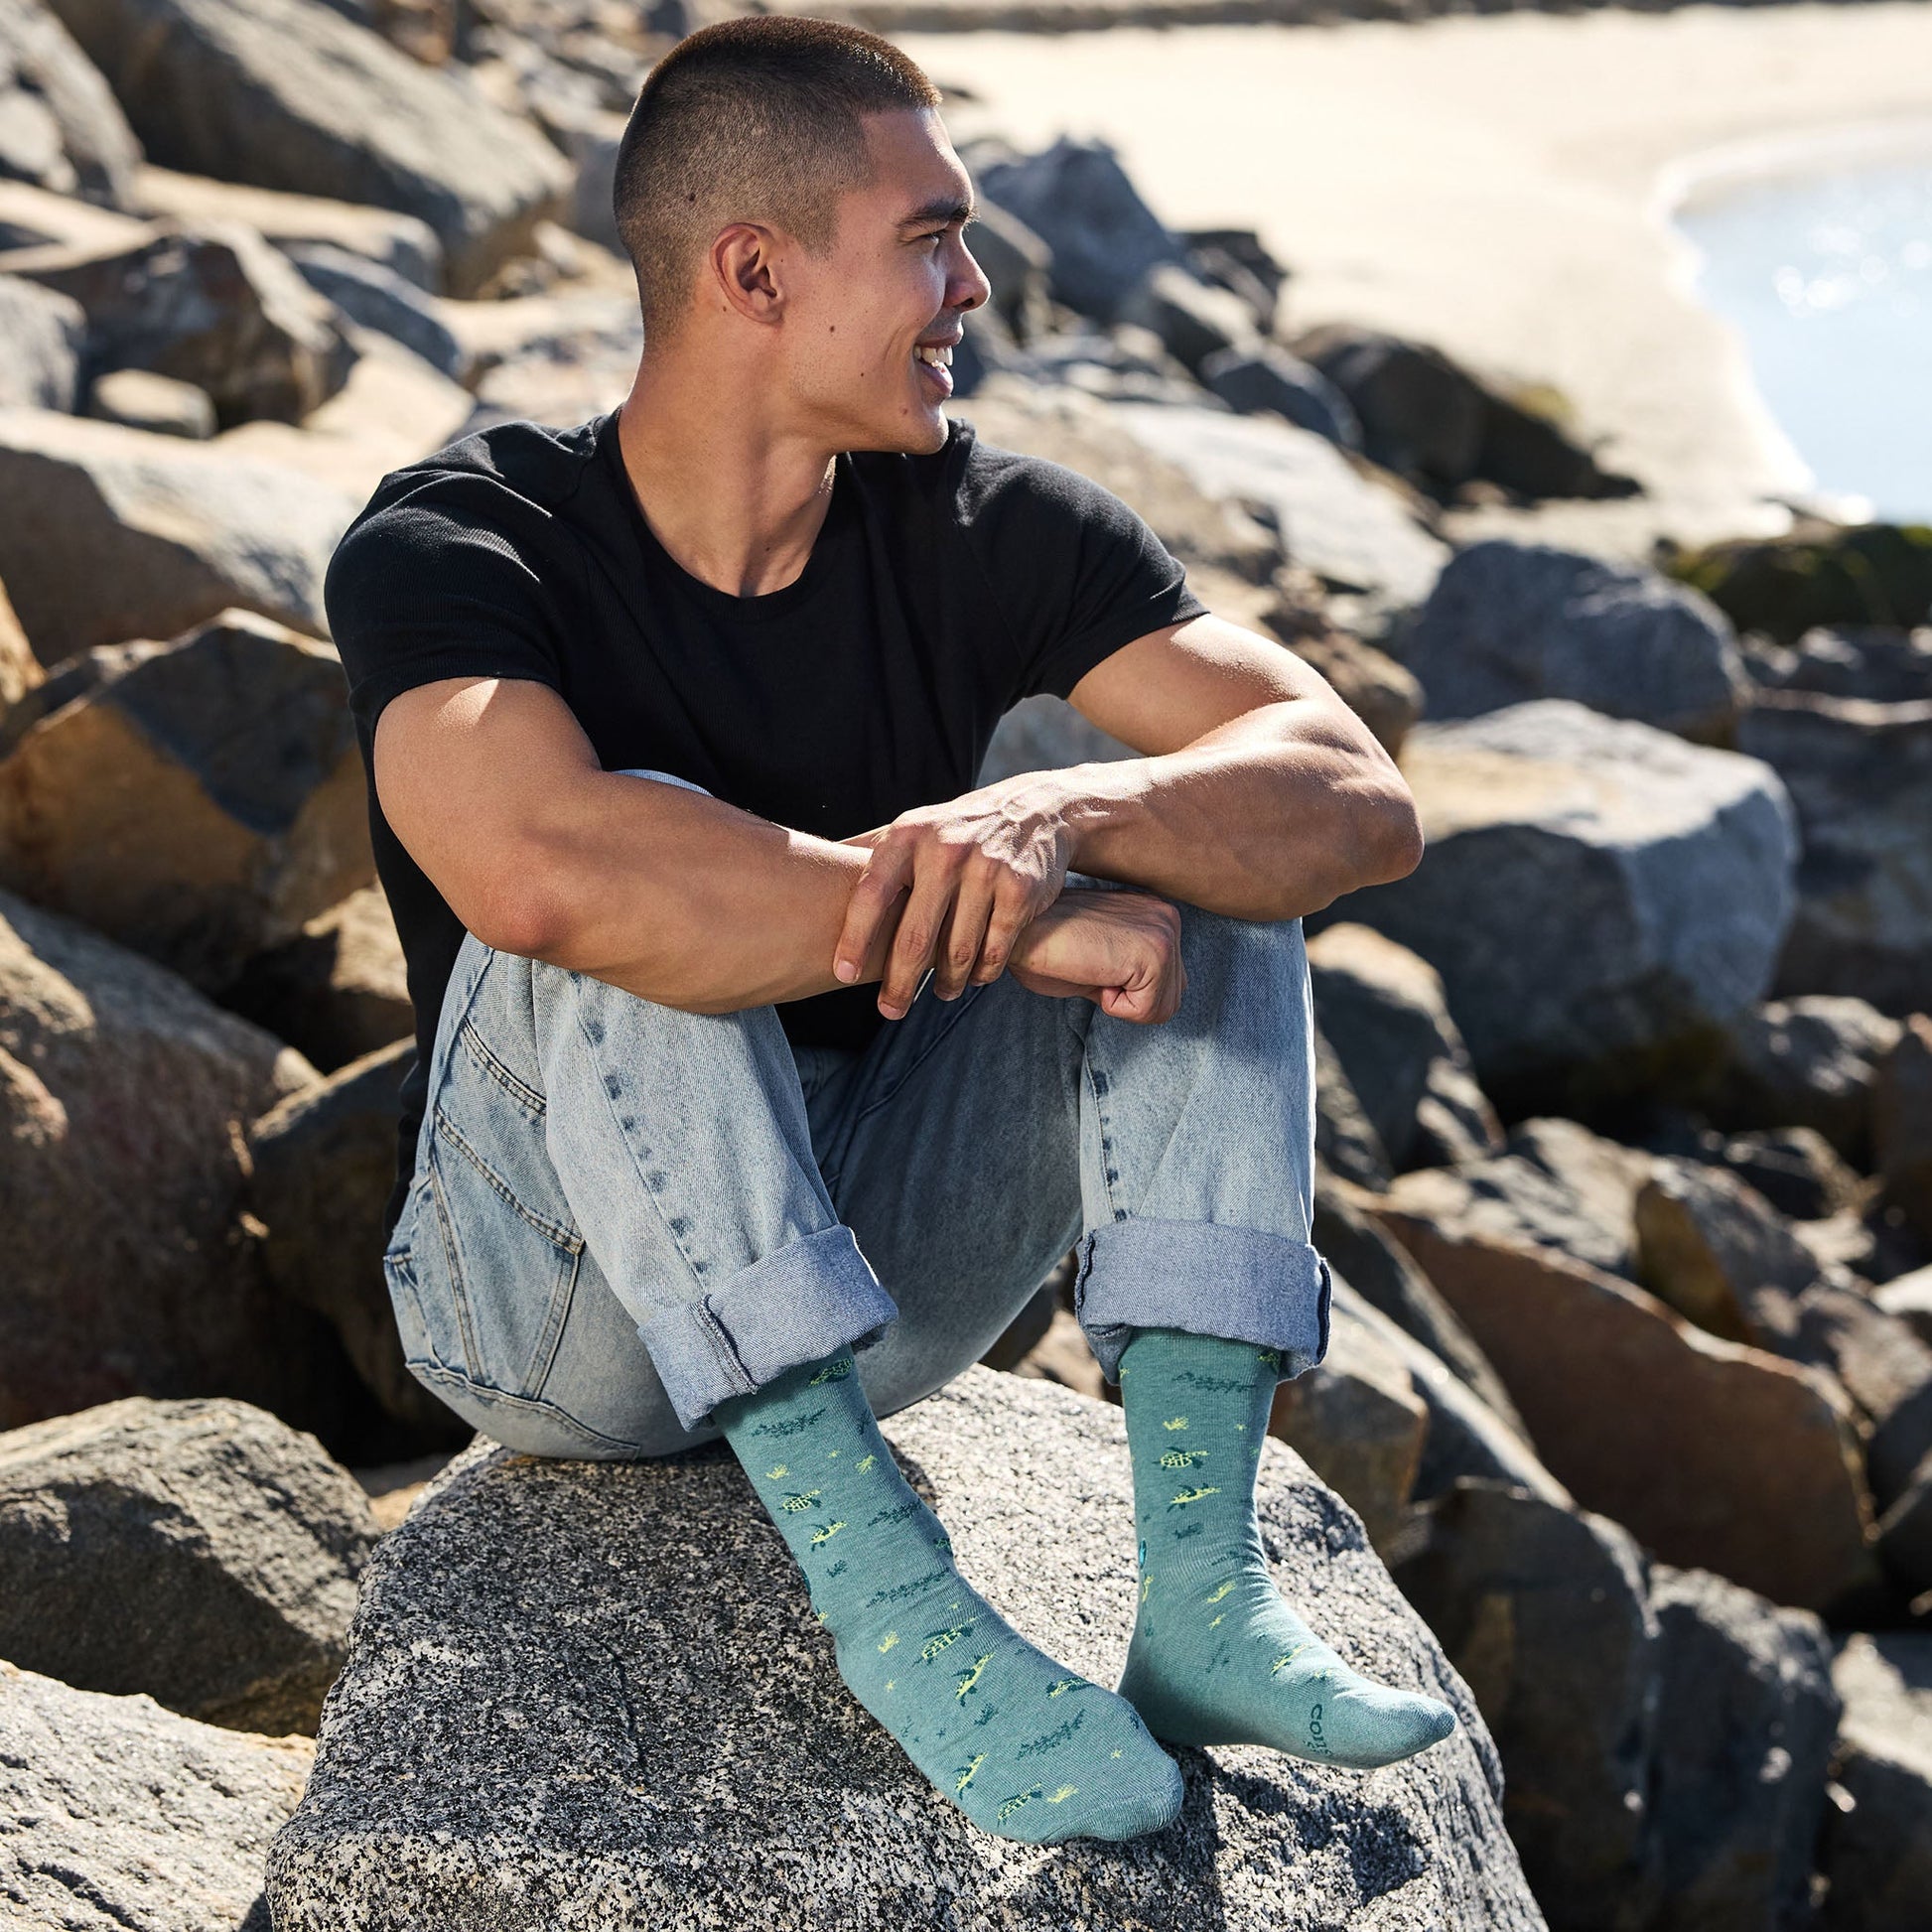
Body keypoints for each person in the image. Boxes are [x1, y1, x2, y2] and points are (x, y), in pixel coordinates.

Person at [327, 13, 1455, 1847]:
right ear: (753, 269)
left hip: (871, 1282)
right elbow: (532, 873)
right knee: (628, 886)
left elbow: (1349, 790)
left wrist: (1066, 816)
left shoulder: (988, 527)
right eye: (931, 234)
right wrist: (1013, 929)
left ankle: (1200, 1597)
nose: (976, 283)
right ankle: (895, 1605)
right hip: (552, 1312)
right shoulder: (467, 540)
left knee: (1209, 852)